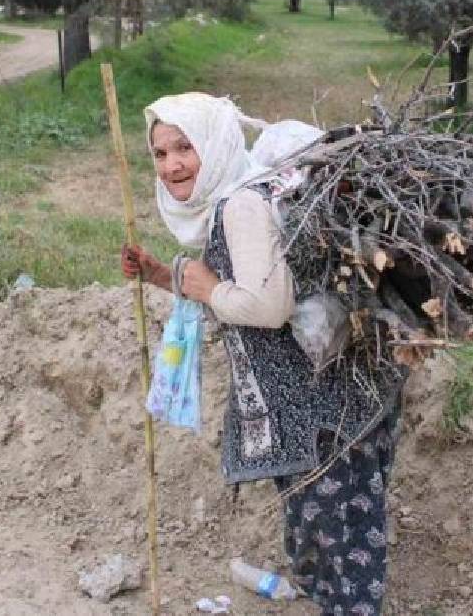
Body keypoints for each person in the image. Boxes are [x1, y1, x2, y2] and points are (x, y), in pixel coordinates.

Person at [120, 93, 404, 615]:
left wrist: (205, 289)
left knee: (339, 536)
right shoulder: (244, 192)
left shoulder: (239, 205)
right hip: (332, 396)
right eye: (159, 154)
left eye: (185, 147)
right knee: (328, 527)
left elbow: (267, 305)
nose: (172, 164)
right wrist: (167, 276)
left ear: (216, 143)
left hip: (317, 408)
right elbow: (239, 281)